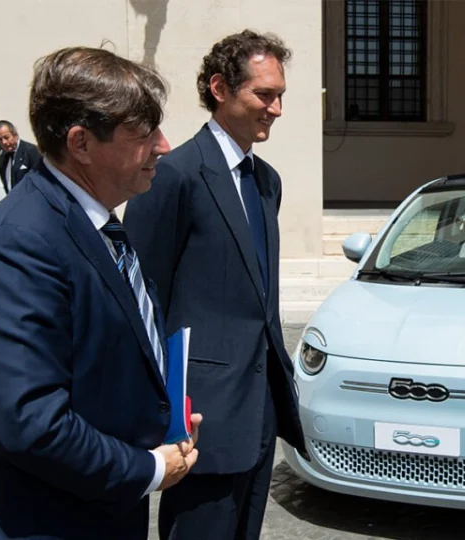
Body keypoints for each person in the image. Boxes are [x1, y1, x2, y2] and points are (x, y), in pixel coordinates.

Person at [0, 46, 202, 539]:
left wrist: (164, 423)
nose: (164, 146)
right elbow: (33, 424)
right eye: (144, 134)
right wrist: (147, 468)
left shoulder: (100, 225)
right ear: (81, 142)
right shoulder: (18, 242)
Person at [124, 30, 308, 539]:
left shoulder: (266, 179)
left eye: (280, 96)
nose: (275, 109)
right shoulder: (173, 174)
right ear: (221, 88)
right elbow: (141, 300)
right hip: (200, 419)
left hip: (260, 408)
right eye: (264, 95)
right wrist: (160, 414)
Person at [0, 120, 42, 194]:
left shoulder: (31, 151)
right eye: (0, 139)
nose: (4, 142)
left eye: (6, 137)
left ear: (15, 135)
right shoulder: (2, 155)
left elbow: (39, 179)